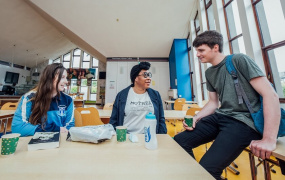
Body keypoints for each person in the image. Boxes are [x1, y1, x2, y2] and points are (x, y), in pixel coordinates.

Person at [174, 30, 280, 179]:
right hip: (221, 116)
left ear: (215, 47)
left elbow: (270, 95)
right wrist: (197, 117)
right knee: (179, 142)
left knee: (208, 169)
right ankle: (196, 176)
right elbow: (213, 103)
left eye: (201, 50)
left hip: (244, 122)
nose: (197, 54)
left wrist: (268, 139)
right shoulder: (209, 73)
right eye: (197, 50)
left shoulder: (239, 60)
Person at [12, 63, 75, 137]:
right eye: (62, 77)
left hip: (60, 142)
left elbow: (69, 126)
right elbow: (18, 127)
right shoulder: (29, 98)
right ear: (50, 78)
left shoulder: (68, 100)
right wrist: (53, 129)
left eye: (66, 78)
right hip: (34, 142)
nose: (66, 81)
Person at [109, 62, 167, 134]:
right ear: (136, 78)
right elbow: (113, 120)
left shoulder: (155, 95)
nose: (149, 78)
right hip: (127, 137)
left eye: (149, 75)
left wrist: (162, 136)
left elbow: (161, 119)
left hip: (149, 137)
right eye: (145, 75)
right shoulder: (122, 95)